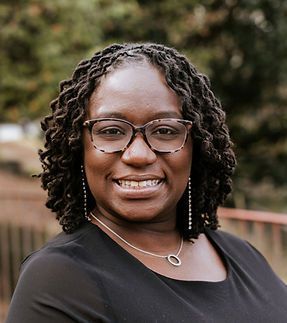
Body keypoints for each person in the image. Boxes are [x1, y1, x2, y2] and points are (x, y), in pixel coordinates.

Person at [6, 43, 287, 323]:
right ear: (79, 148)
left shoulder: (243, 254)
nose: (138, 155)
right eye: (111, 131)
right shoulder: (58, 280)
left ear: (196, 147)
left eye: (165, 130)